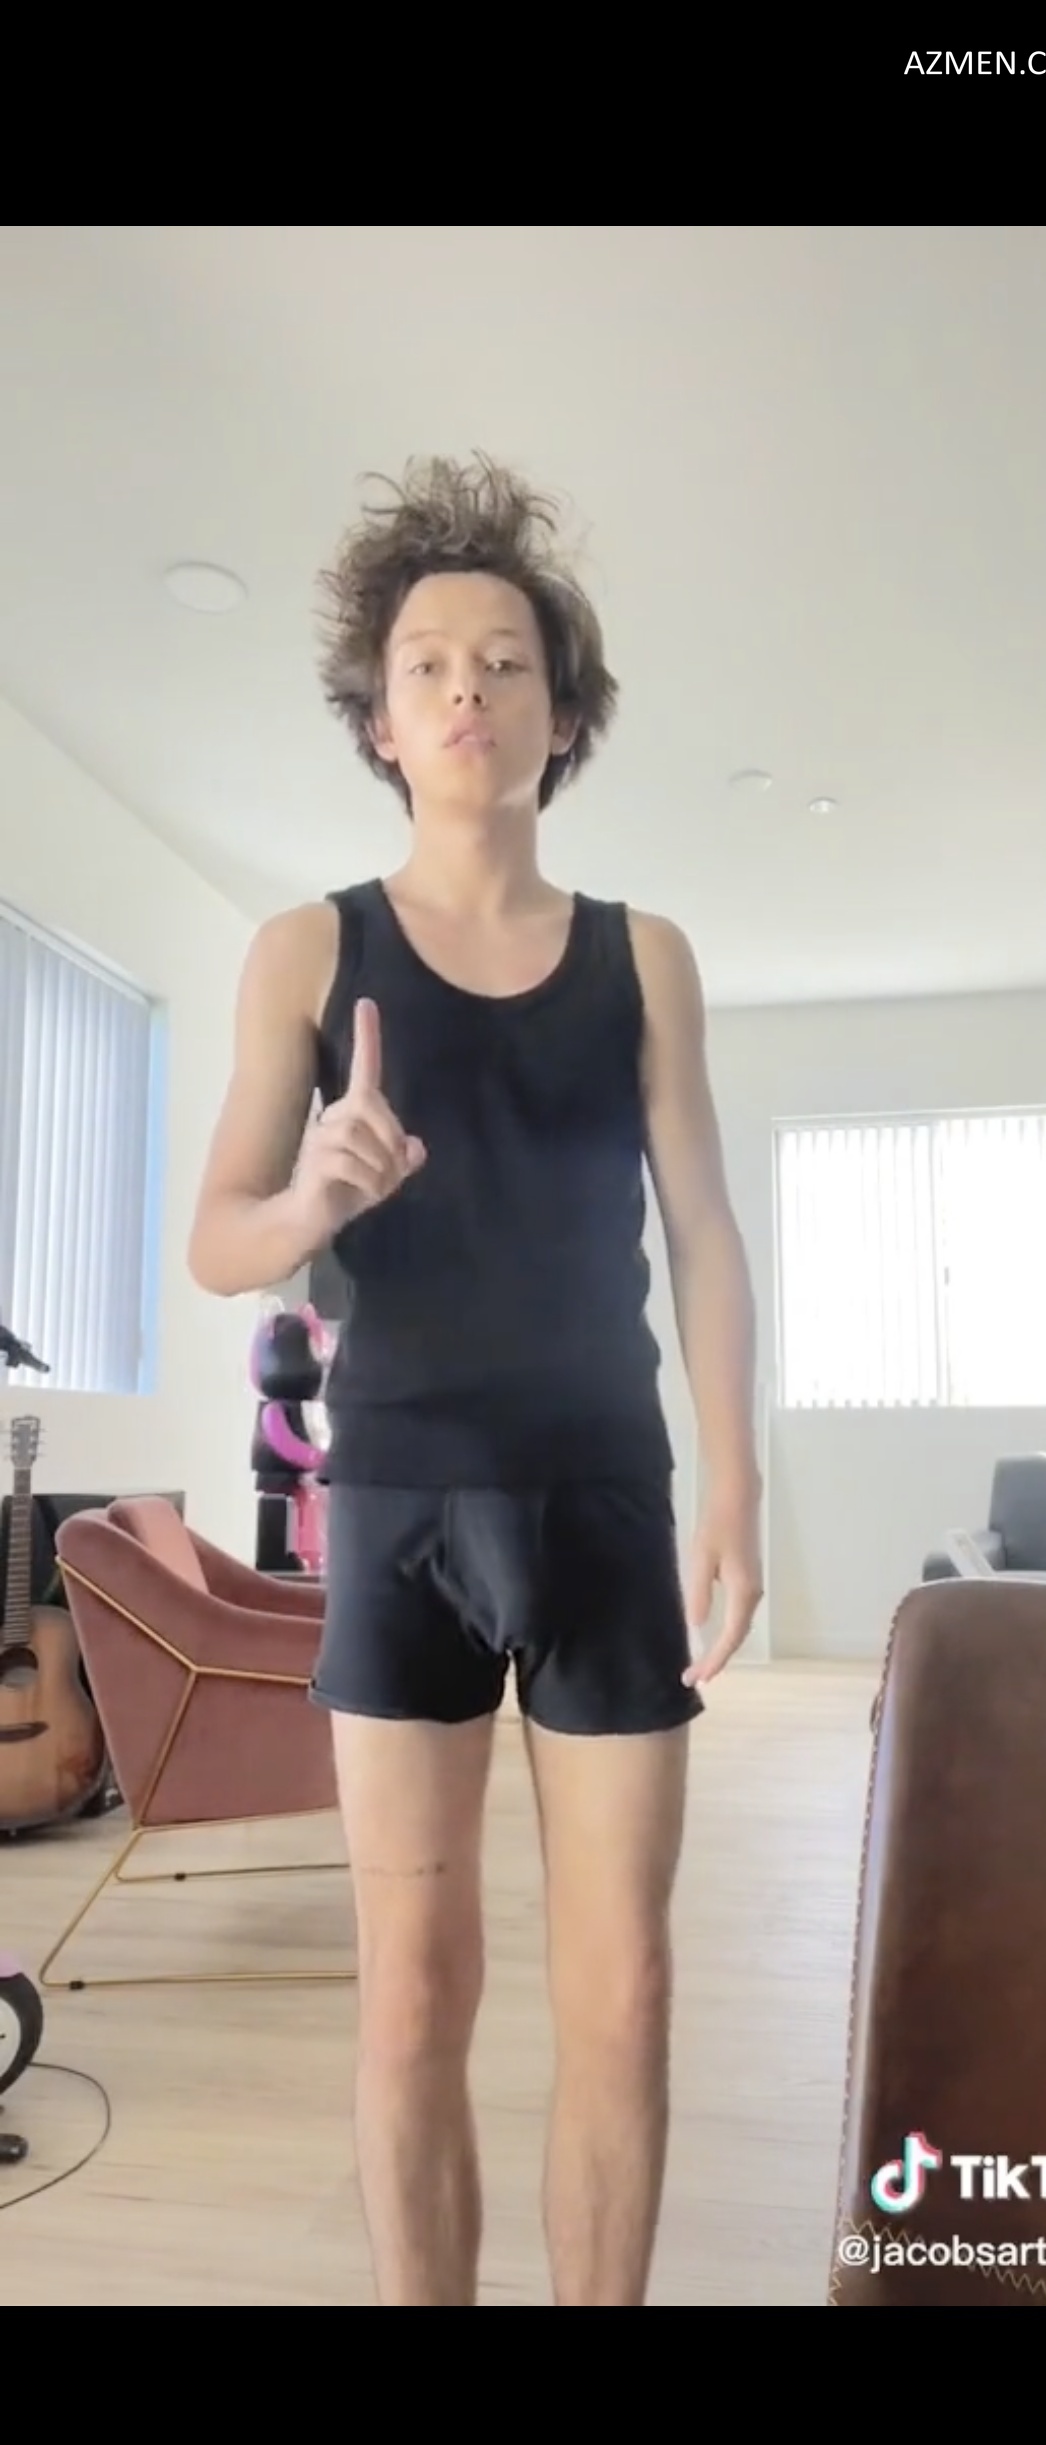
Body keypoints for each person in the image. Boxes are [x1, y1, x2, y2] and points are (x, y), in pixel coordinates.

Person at [188, 455, 763, 2307]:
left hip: (603, 1495)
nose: (465, 690)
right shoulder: (307, 950)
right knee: (412, 1993)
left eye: (505, 663)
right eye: (427, 664)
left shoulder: (643, 957)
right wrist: (310, 1198)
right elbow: (216, 1239)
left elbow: (704, 1233)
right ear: (379, 722)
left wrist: (734, 1481)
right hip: (399, 1508)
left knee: (626, 1987)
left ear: (562, 718)